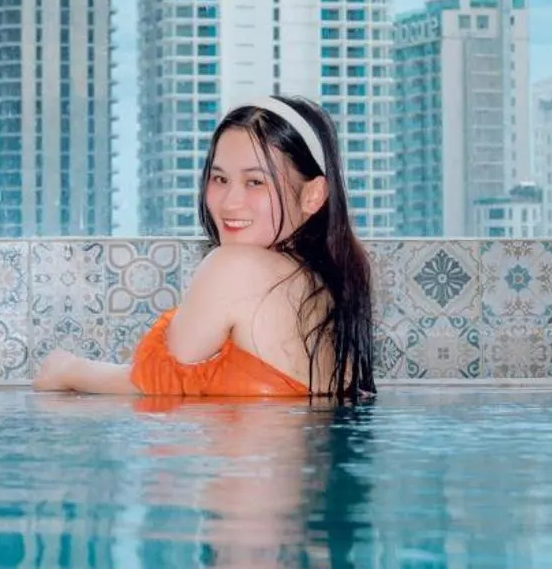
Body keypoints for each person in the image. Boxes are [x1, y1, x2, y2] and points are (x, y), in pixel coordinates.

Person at [33, 94, 376, 404]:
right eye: (220, 179)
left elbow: (157, 381)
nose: (230, 201)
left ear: (313, 195)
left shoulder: (236, 267)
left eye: (255, 181)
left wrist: (67, 370)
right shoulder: (328, 286)